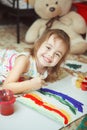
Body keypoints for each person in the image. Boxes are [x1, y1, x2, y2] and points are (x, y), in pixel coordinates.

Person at [1, 29, 70, 94]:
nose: (51, 55)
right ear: (38, 44)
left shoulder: (49, 69)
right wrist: (30, 84)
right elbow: (5, 88)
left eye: (57, 54)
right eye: (48, 47)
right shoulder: (24, 61)